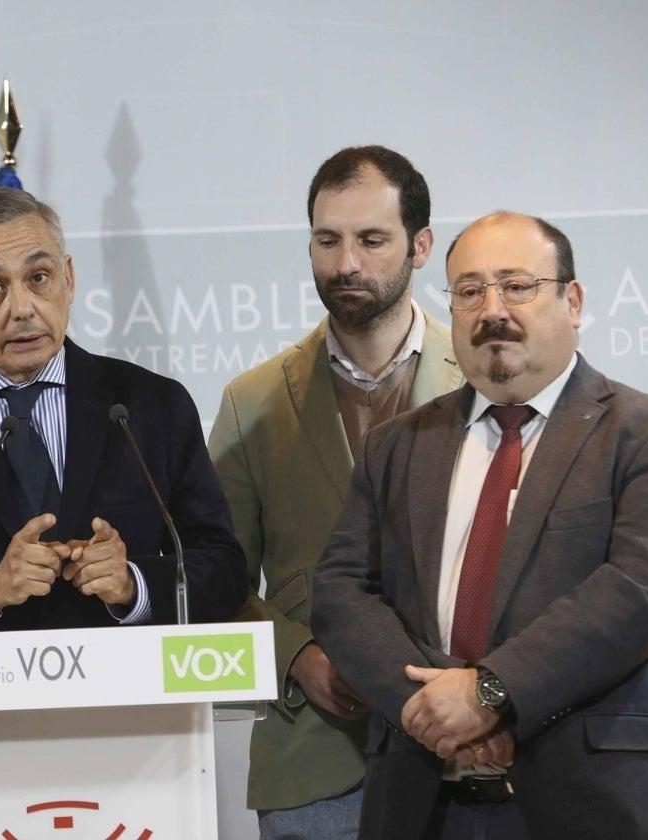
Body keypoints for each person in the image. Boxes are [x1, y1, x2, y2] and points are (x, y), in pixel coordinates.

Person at [0, 186, 247, 837]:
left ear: (70, 280)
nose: (22, 308)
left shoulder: (149, 407)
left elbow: (224, 567)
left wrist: (134, 583)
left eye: (38, 277)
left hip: (140, 765)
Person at [312, 211, 648, 839]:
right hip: (422, 804)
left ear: (573, 299)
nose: (491, 309)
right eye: (470, 291)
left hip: (589, 802)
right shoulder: (396, 446)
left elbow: (640, 590)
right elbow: (341, 591)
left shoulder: (645, 433)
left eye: (517, 285)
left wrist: (492, 694)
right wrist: (431, 710)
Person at [208, 145, 463, 838]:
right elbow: (211, 578)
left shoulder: (485, 383)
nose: (345, 262)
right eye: (328, 240)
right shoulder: (251, 403)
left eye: (371, 239)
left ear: (421, 246)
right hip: (313, 757)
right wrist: (296, 657)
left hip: (467, 759)